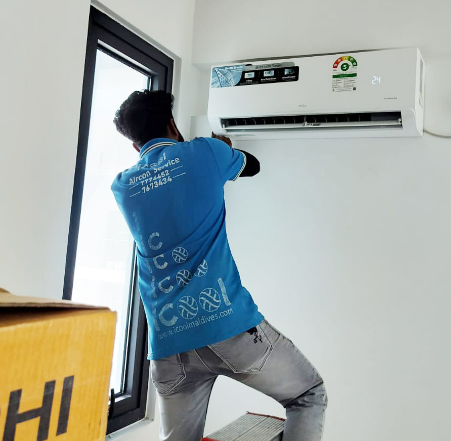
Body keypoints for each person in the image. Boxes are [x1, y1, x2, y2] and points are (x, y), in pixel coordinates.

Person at [111, 90, 327, 441]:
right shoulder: (206, 152)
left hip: (168, 346)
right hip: (228, 326)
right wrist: (223, 148)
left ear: (135, 145)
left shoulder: (122, 186)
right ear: (172, 125)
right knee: (308, 395)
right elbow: (252, 165)